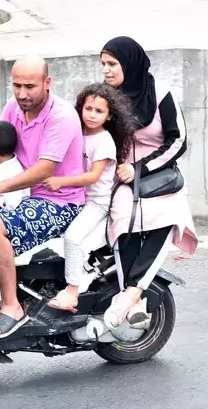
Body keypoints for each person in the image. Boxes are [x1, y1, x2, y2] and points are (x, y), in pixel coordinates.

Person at [0, 55, 85, 338]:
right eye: (16, 86)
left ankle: (11, 307)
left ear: (47, 83)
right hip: (23, 195)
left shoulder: (61, 117)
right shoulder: (13, 109)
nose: (22, 94)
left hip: (59, 201)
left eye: (30, 86)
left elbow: (44, 169)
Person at [100, 36, 199, 329]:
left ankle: (128, 295)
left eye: (112, 64)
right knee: (122, 219)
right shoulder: (105, 97)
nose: (106, 70)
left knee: (168, 217)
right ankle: (136, 299)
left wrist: (141, 167)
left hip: (157, 171)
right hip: (120, 173)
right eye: (103, 64)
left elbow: (178, 140)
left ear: (129, 64)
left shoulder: (160, 93)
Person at [43, 82, 139, 311]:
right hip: (76, 196)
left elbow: (94, 176)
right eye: (88, 109)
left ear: (108, 116)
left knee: (73, 239)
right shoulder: (78, 131)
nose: (92, 115)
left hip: (98, 202)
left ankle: (72, 292)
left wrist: (59, 182)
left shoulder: (104, 140)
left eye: (99, 111)